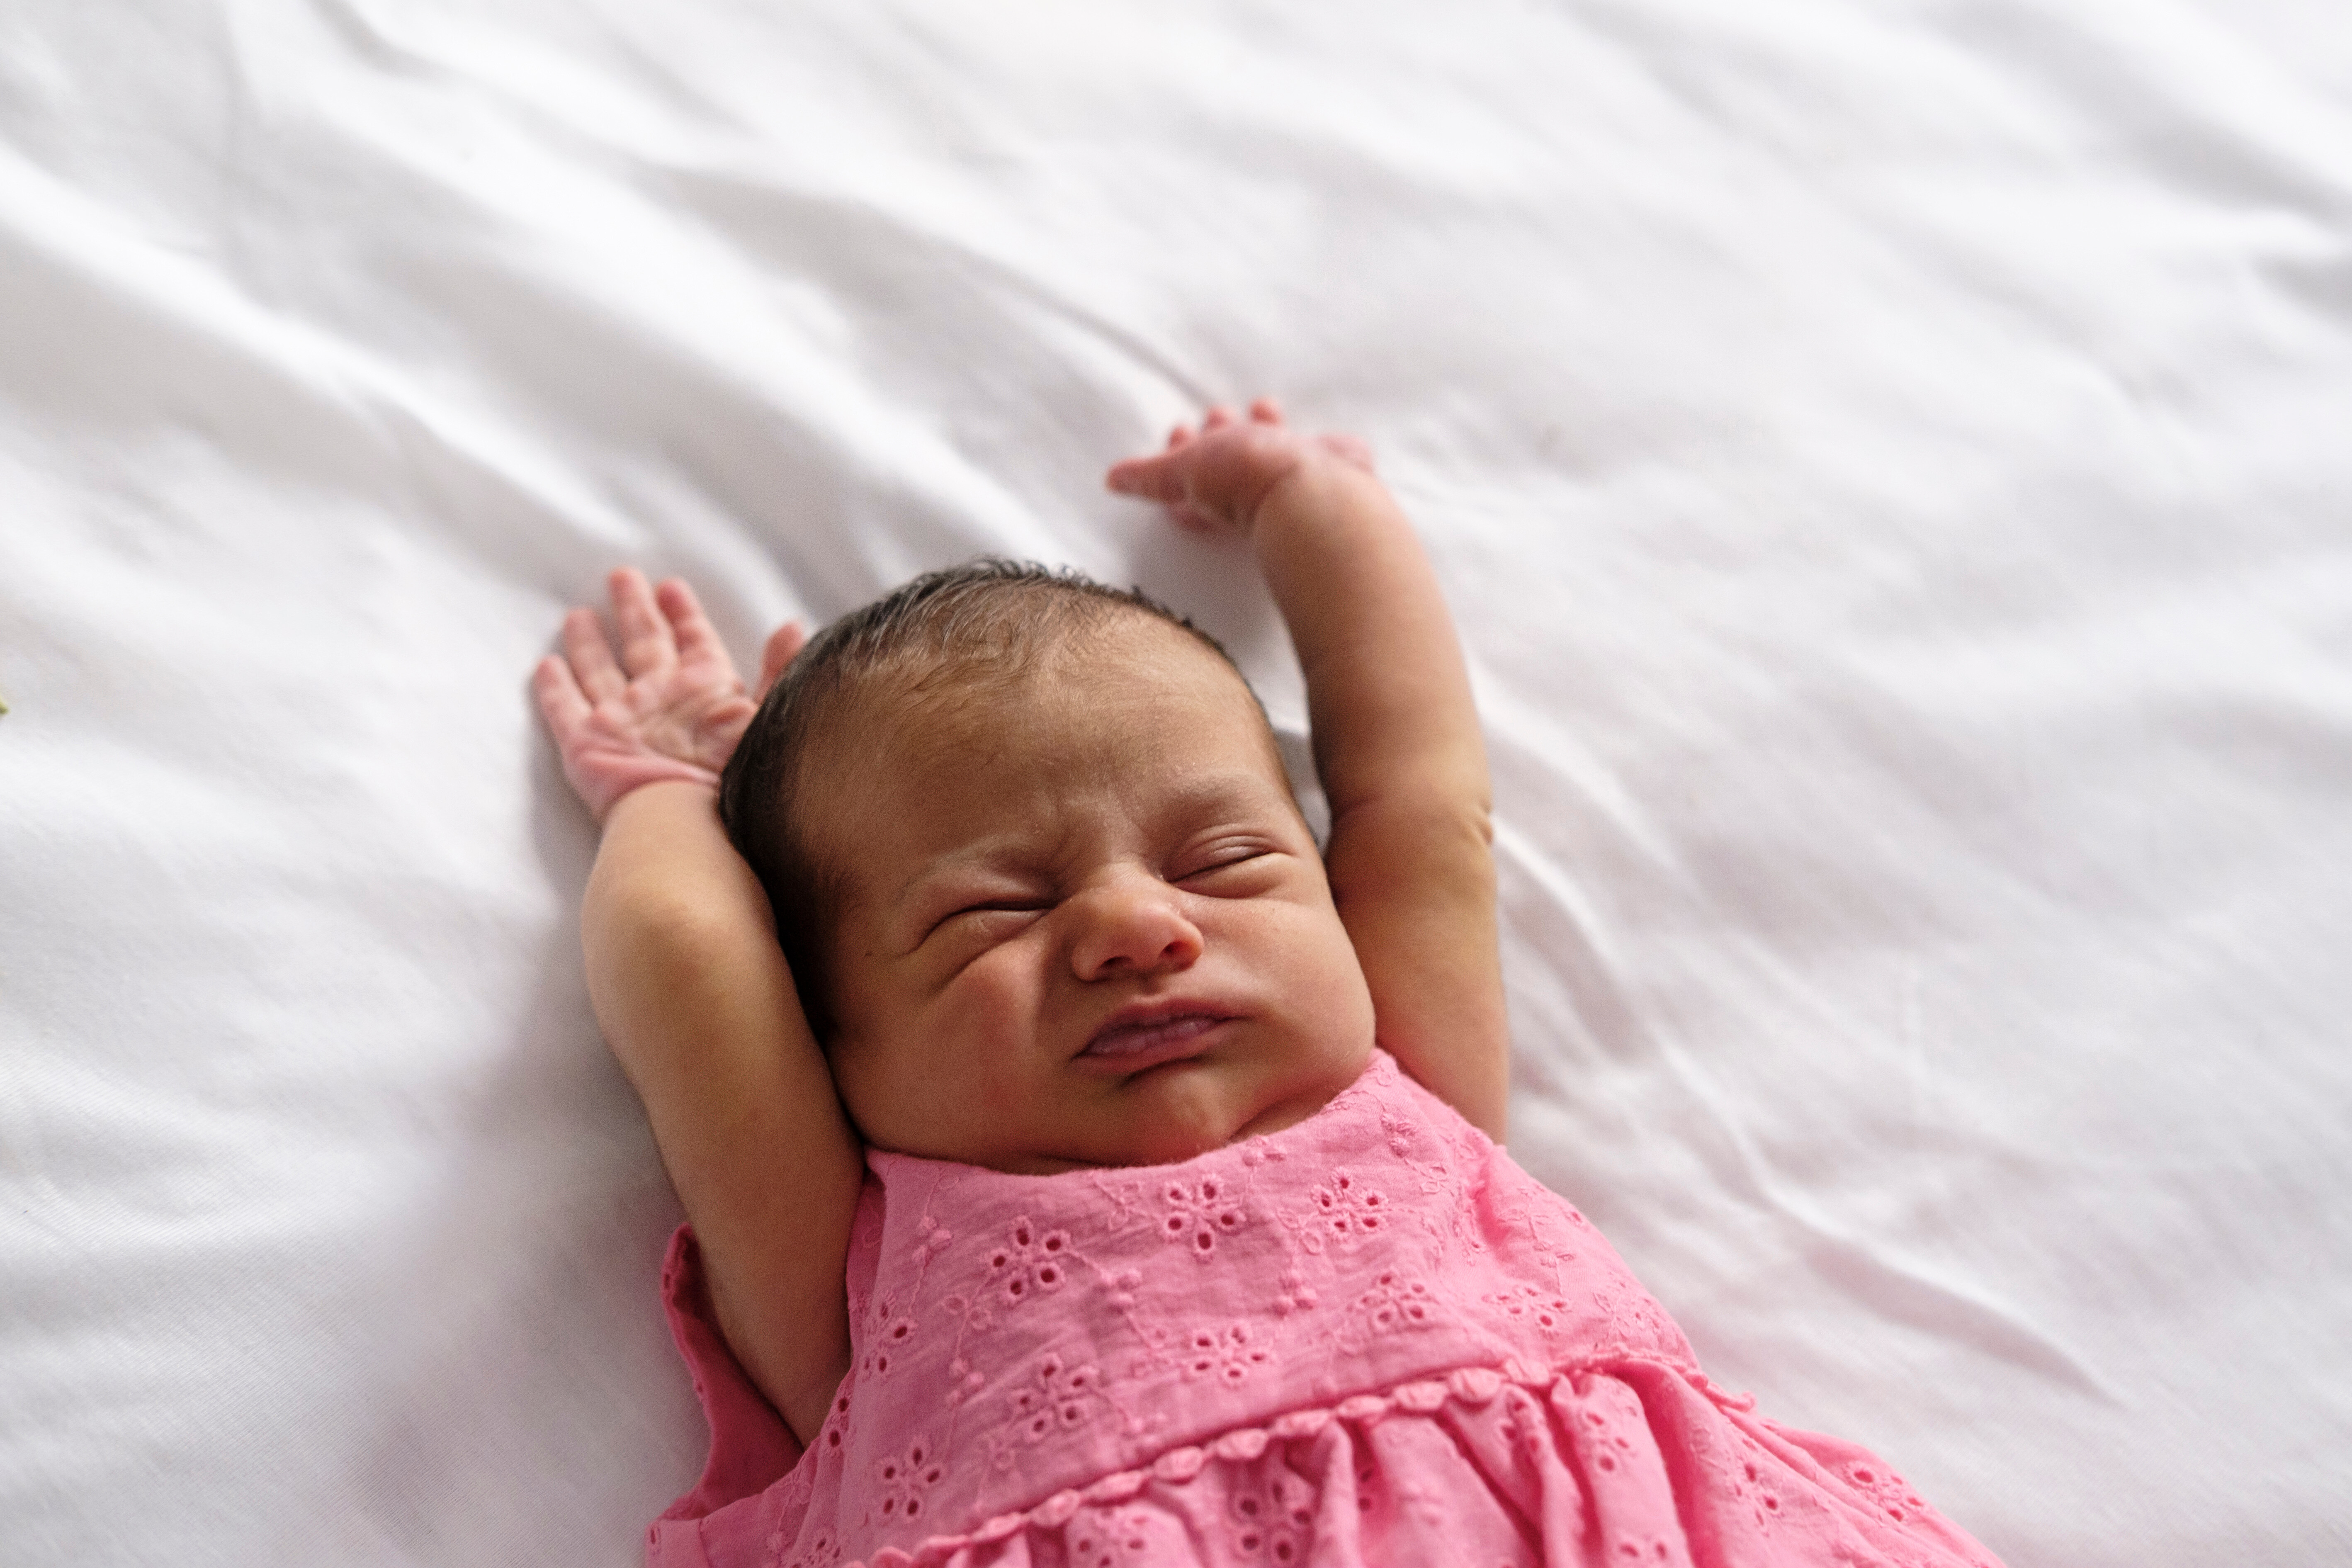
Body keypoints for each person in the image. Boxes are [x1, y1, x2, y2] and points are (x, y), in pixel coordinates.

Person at [533, 400, 2002, 1568]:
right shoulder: (853, 1279)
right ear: (832, 1040)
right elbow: (694, 970)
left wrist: (1317, 509)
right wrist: (663, 790)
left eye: (1225, 862)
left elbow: (1416, 798)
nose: (1134, 926)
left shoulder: (1406, 1088)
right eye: (996, 912)